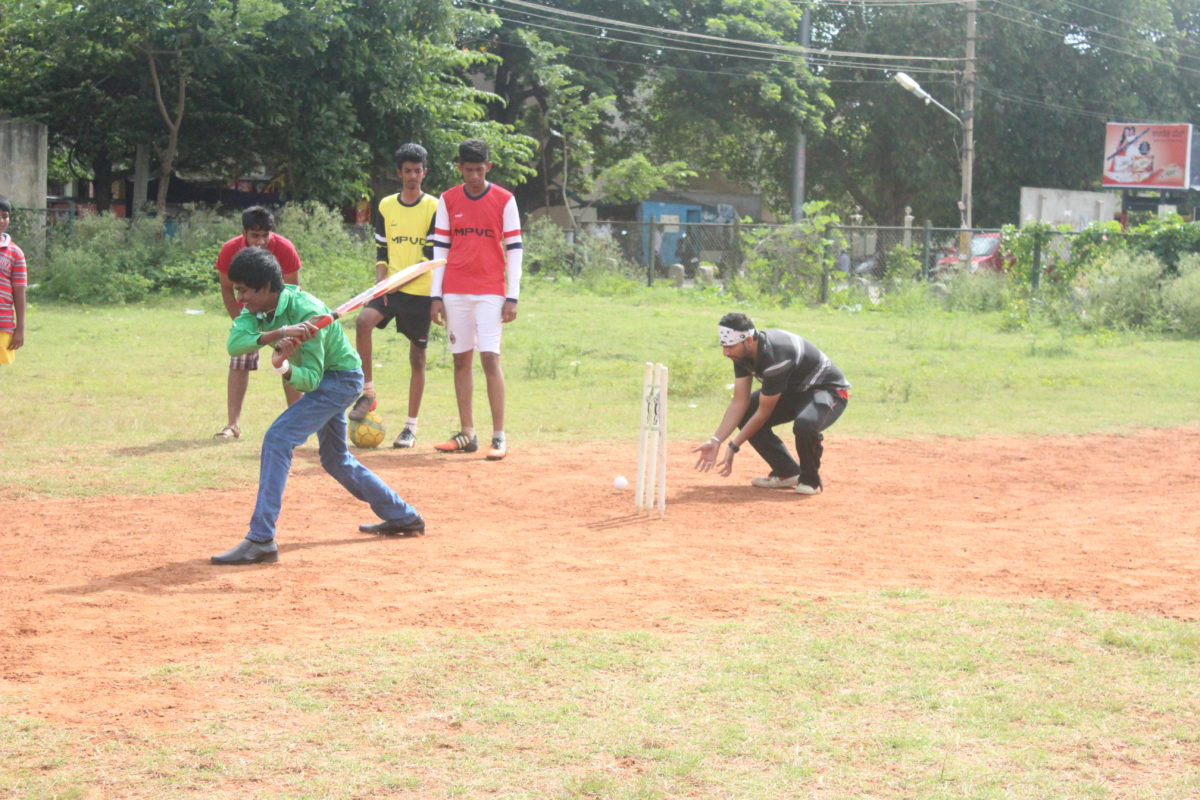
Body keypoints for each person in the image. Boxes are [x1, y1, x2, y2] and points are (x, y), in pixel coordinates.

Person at [210, 246, 425, 565]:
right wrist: (280, 335)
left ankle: (261, 539)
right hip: (325, 378)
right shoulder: (257, 312)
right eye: (237, 290)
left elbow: (310, 382)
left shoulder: (307, 310)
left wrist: (283, 366)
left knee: (278, 438)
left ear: (266, 287)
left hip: (340, 379)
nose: (239, 298)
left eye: (243, 291)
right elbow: (234, 345)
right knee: (335, 459)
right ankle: (403, 516)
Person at [429, 138, 523, 461]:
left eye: (479, 170)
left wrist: (513, 295)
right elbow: (439, 249)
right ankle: (467, 433)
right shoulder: (447, 199)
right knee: (460, 359)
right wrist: (435, 296)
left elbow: (514, 250)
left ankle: (499, 436)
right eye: (468, 170)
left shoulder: (505, 200)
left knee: (490, 358)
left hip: (490, 291)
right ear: (459, 168)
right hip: (454, 290)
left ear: (489, 167)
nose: (473, 177)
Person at [693, 312, 850, 495]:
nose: (725, 353)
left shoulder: (776, 358)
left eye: (730, 346)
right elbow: (739, 401)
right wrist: (716, 440)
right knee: (746, 413)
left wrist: (733, 446)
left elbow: (762, 414)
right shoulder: (740, 354)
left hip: (828, 391)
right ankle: (787, 472)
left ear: (749, 340)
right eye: (724, 346)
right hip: (793, 391)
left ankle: (810, 480)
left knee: (805, 425)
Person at [347, 143, 439, 449]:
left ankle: (410, 428)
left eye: (418, 170)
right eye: (407, 171)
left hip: (419, 290)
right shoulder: (386, 205)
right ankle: (368, 392)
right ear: (399, 173)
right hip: (390, 288)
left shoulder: (435, 207)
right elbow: (382, 251)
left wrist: (399, 282)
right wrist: (381, 282)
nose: (413, 176)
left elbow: (429, 255)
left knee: (417, 357)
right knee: (363, 321)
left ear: (425, 172)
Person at [213, 206, 302, 439]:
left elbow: (294, 290)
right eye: (255, 235)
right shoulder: (230, 250)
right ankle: (232, 425)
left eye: (265, 235)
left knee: (289, 362)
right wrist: (239, 323)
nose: (260, 241)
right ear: (244, 233)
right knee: (239, 360)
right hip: (249, 314)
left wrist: (286, 325)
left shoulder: (284, 249)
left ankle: (296, 425)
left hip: (281, 315)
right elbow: (226, 289)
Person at [0, 196, 27, 366]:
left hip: (2, 323)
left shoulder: (15, 253)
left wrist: (20, 328)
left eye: (4, 216)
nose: (1, 220)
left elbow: (19, 292)